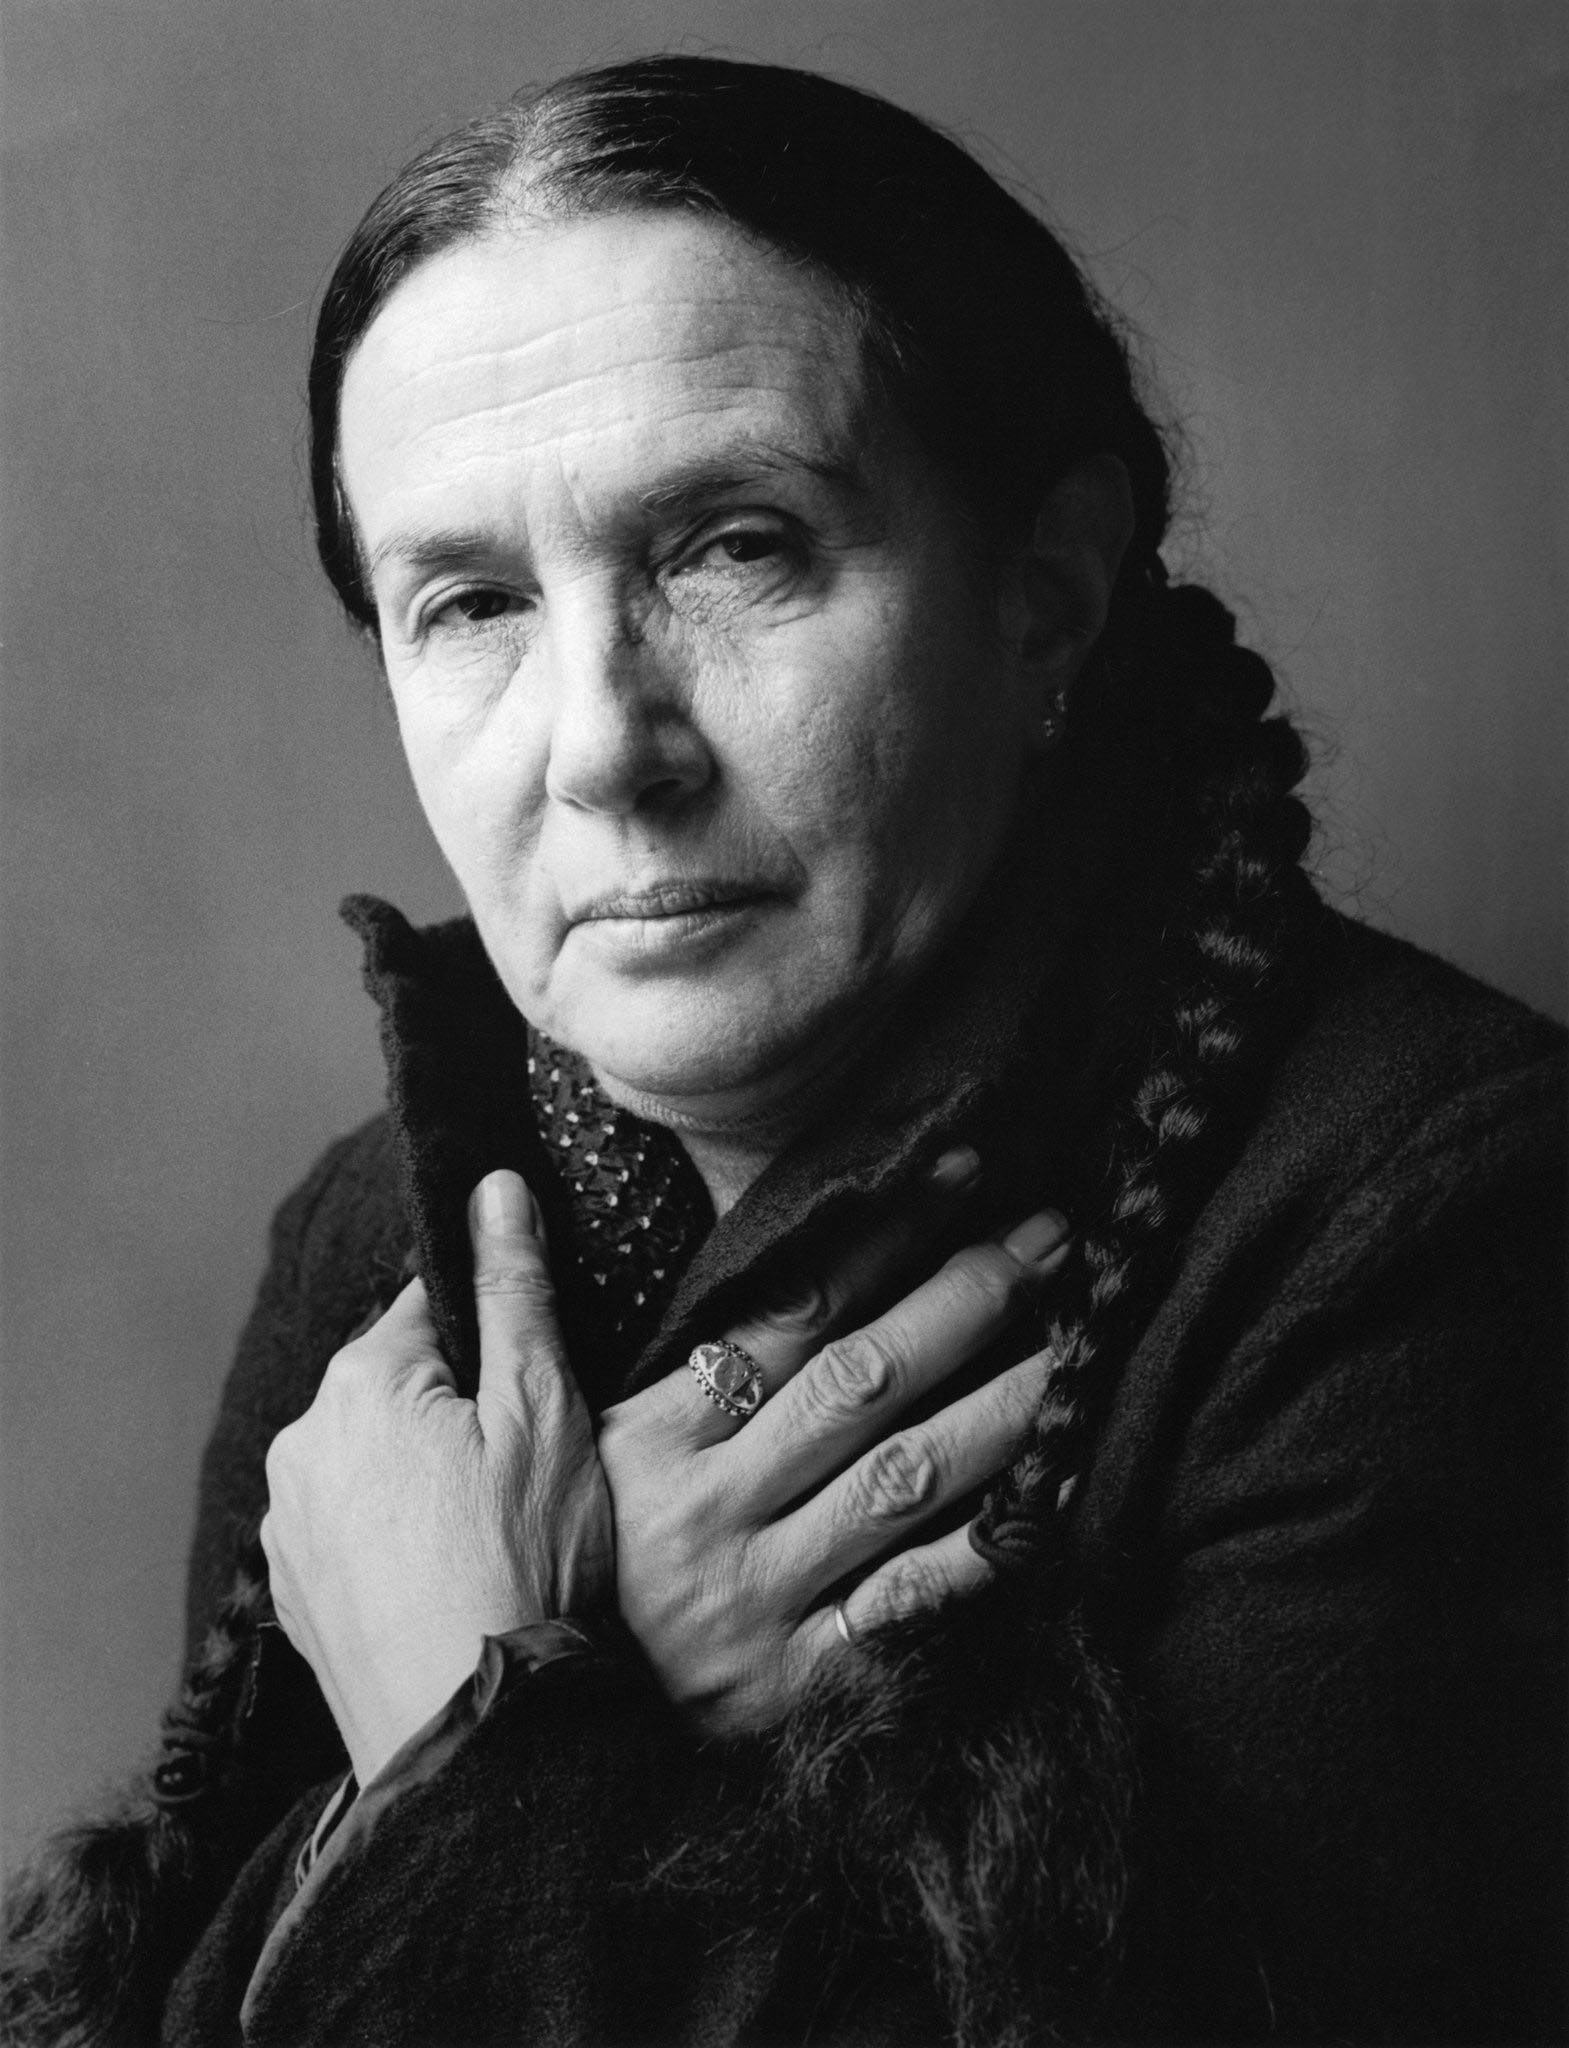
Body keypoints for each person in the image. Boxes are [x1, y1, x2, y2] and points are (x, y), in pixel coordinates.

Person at [4, 53, 1563, 2048]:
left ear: (1044, 594)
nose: (600, 747)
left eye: (731, 546)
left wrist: (497, 1727)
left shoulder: (1438, 1218)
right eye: (468, 602)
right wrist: (581, 1670)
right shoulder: (366, 1250)